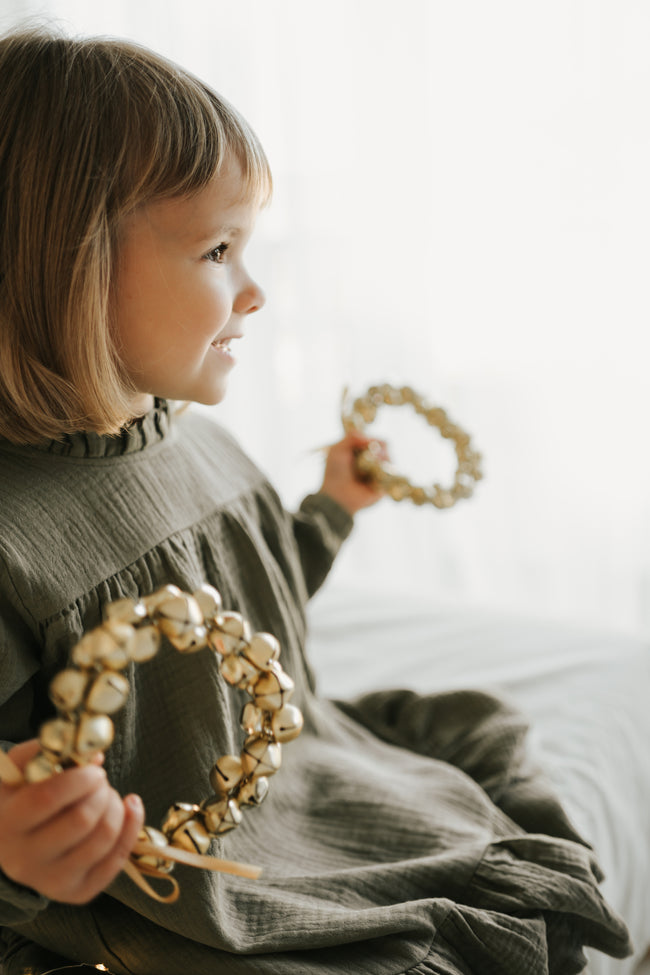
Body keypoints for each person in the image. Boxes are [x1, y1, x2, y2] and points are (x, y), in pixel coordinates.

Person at [0, 26, 632, 975]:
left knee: (472, 770)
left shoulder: (198, 441)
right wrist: (18, 850)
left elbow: (251, 597)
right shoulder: (16, 537)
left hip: (294, 773)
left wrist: (333, 507)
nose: (253, 292)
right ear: (67, 266)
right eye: (217, 248)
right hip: (170, 881)